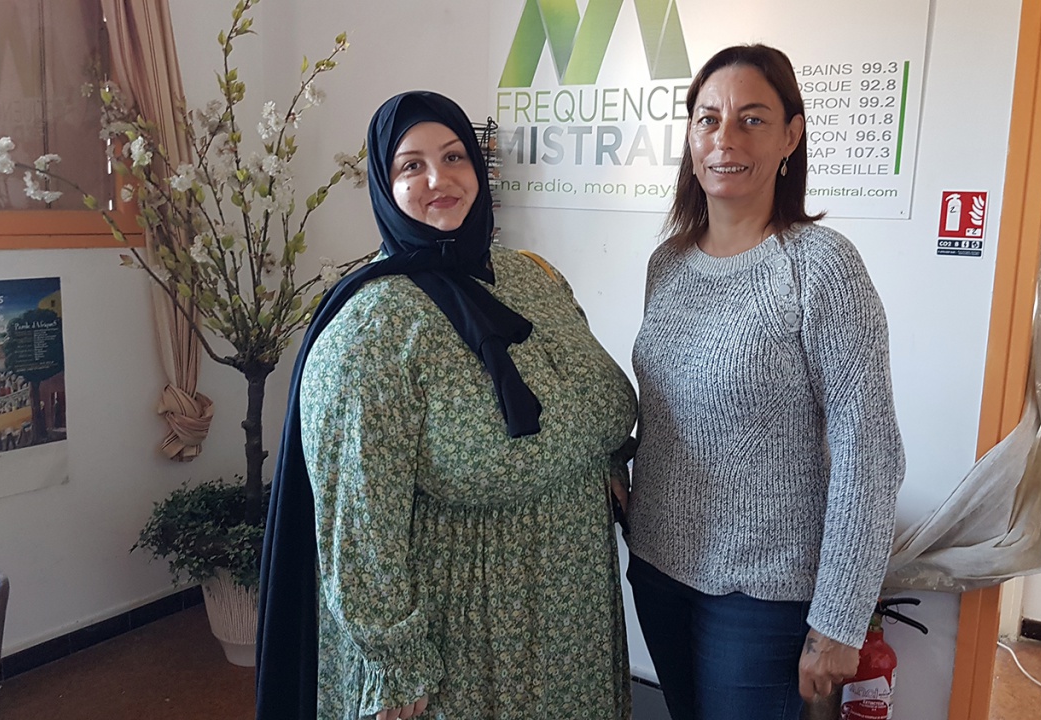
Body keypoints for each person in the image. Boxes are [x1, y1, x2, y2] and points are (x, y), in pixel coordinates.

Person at [255, 91, 637, 720]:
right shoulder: (371, 333)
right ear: (385, 185)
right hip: (474, 646)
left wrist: (606, 460)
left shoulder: (530, 277)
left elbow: (584, 397)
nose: (440, 179)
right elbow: (357, 524)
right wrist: (396, 662)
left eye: (455, 157)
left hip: (574, 620)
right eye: (412, 165)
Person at [626, 44, 905, 719]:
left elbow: (870, 452)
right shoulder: (668, 263)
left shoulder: (821, 266)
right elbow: (670, 408)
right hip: (659, 568)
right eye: (708, 119)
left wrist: (840, 618)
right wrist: (614, 456)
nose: (725, 138)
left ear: (791, 136)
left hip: (762, 595)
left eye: (752, 119)